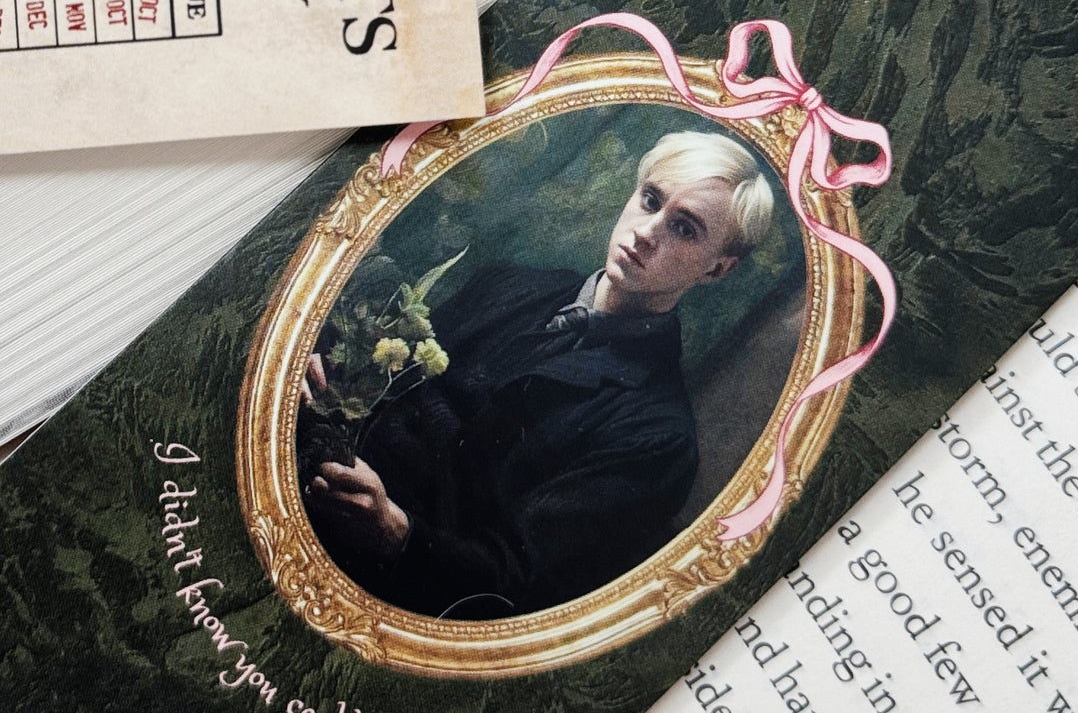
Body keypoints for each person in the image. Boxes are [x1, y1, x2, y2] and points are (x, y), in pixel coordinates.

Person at [303, 129, 779, 619]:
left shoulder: (659, 438)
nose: (647, 232)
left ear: (717, 270)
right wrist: (332, 374)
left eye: (684, 228)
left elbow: (520, 586)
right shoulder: (508, 283)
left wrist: (397, 534)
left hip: (384, 596)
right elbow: (391, 374)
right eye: (651, 200)